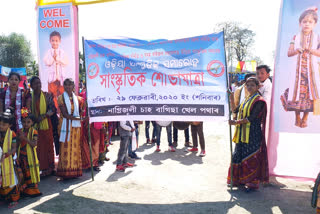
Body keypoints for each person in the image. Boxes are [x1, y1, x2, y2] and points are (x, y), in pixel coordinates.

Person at [280, 7, 320, 128]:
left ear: (315, 24)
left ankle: (305, 117)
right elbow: (289, 53)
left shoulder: (317, 37)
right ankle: (297, 116)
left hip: (311, 72)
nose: (307, 24)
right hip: (298, 71)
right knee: (296, 94)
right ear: (300, 23)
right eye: (304, 21)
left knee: (309, 95)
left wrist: (311, 50)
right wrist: (297, 50)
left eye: (310, 22)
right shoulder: (295, 37)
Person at [228, 77, 269, 191]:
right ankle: (238, 180)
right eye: (248, 85)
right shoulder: (247, 99)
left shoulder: (259, 100)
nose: (249, 87)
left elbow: (252, 117)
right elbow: (235, 111)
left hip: (253, 133)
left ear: (257, 87)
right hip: (241, 133)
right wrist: (231, 97)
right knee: (238, 155)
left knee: (251, 157)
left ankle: (252, 184)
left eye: (252, 85)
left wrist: (236, 122)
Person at [26, 76, 56, 177]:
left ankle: (50, 169)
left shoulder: (47, 95)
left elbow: (53, 109)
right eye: (35, 83)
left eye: (39, 83)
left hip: (46, 124)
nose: (38, 85)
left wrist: (43, 117)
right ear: (31, 86)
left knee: (48, 146)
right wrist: (35, 118)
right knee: (38, 148)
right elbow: (27, 111)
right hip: (34, 126)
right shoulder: (29, 97)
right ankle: (40, 169)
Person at [56, 79, 84, 179]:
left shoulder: (79, 99)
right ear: (63, 86)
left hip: (75, 128)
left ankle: (75, 171)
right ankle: (65, 172)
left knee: (75, 148)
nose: (68, 87)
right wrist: (79, 118)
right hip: (66, 126)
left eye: (70, 85)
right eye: (66, 85)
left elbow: (81, 111)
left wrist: (83, 112)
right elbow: (65, 114)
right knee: (65, 148)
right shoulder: (60, 98)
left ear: (73, 86)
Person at [17, 107, 42, 197]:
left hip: (30, 156)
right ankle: (25, 189)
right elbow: (18, 144)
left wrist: (25, 138)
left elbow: (34, 144)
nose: (26, 124)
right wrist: (20, 139)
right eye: (24, 122)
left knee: (30, 173)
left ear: (32, 122)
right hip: (22, 155)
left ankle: (33, 190)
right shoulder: (21, 131)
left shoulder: (34, 131)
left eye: (28, 122)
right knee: (24, 172)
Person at [0, 110, 21, 208]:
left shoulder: (12, 134)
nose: (1, 126)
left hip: (9, 160)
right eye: (0, 124)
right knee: (2, 178)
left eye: (4, 124)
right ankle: (5, 197)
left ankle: (14, 199)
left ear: (10, 125)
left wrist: (7, 154)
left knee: (12, 179)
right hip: (1, 159)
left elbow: (14, 148)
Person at [44, 31, 69, 108]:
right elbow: (47, 62)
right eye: (53, 41)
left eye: (56, 41)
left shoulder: (62, 52)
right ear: (50, 41)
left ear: (60, 41)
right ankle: (54, 111)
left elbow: (65, 62)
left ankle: (61, 111)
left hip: (61, 78)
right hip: (52, 79)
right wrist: (53, 59)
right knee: (52, 96)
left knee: (62, 95)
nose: (55, 43)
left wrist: (57, 59)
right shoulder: (48, 52)